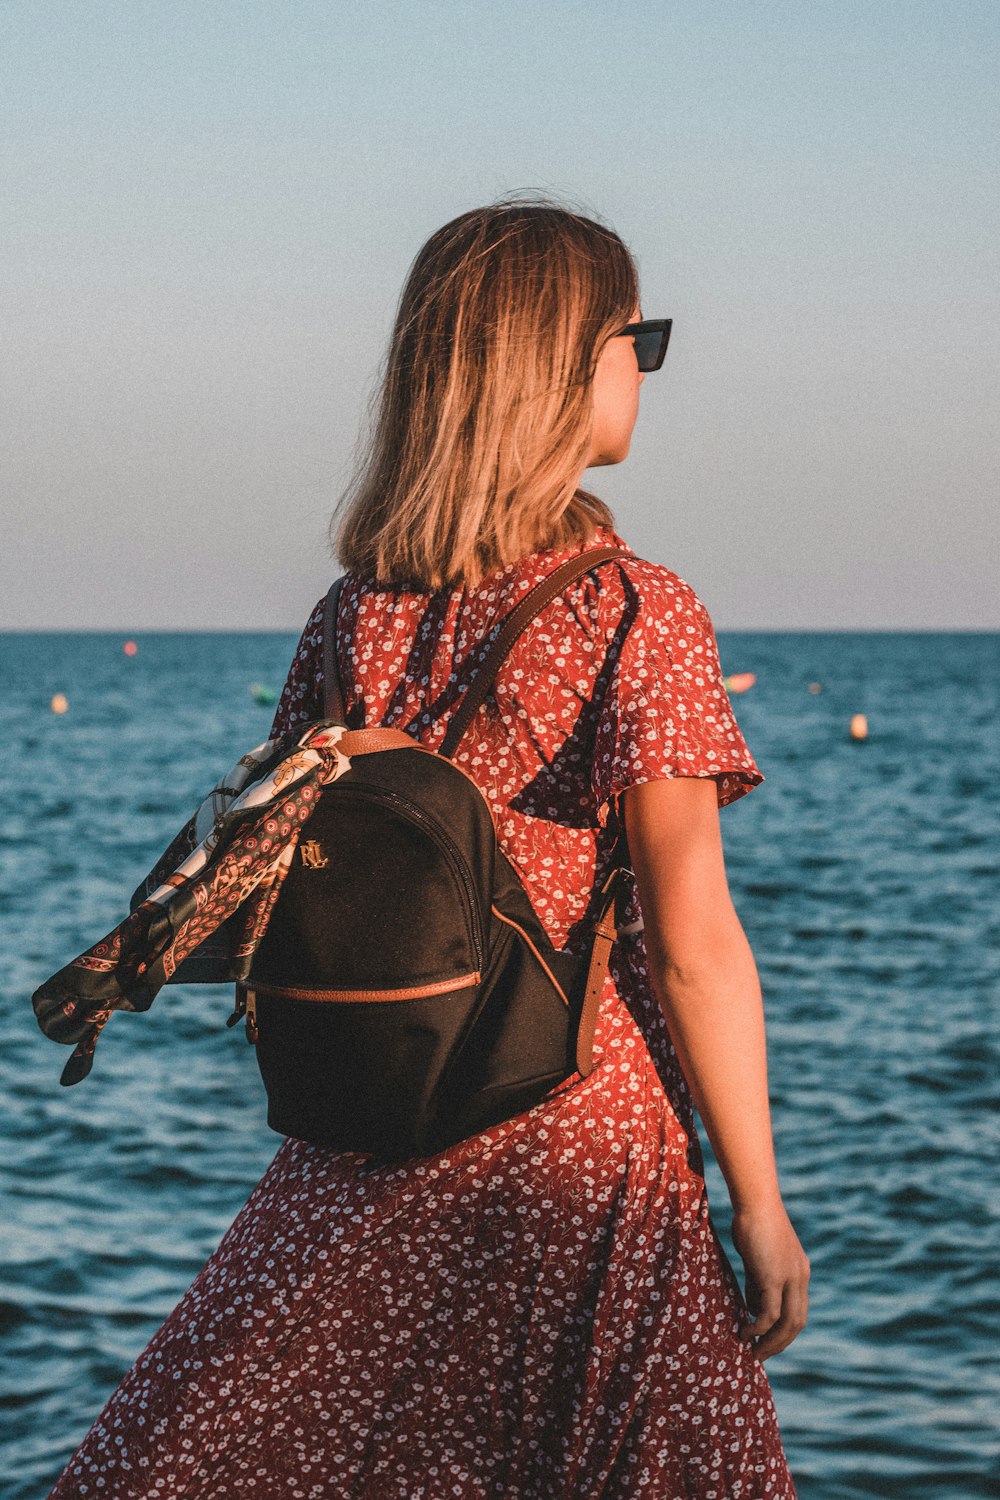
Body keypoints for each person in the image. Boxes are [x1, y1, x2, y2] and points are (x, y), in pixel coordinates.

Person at [48, 197, 808, 1498]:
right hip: (579, 1134)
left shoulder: (357, 615)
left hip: (373, 1134)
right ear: (561, 365)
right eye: (641, 338)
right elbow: (692, 946)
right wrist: (761, 1199)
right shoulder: (636, 611)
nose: (648, 368)